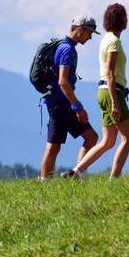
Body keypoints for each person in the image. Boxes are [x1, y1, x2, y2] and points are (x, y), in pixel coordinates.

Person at [62, 3, 129, 179]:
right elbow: (110, 73)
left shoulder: (105, 39)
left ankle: (77, 171)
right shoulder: (114, 42)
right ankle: (114, 178)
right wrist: (115, 103)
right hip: (112, 92)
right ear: (122, 20)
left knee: (108, 141)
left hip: (102, 91)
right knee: (128, 138)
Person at [39, 14, 100, 179]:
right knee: (53, 147)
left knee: (91, 137)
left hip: (65, 103)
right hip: (59, 104)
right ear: (80, 29)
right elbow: (63, 81)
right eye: (90, 33)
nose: (91, 37)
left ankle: (76, 175)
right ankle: (44, 185)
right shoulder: (67, 49)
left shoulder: (66, 47)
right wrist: (78, 107)